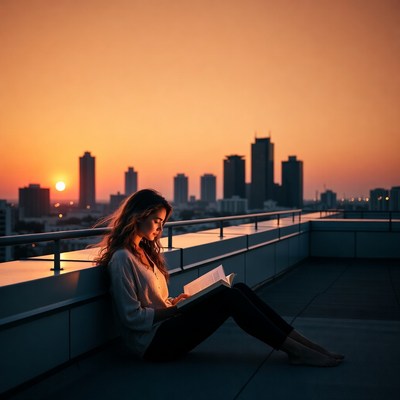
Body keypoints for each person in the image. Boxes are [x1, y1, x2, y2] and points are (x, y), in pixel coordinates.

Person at [95, 189, 344, 366]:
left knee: (239, 289)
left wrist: (174, 301)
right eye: (157, 221)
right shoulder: (122, 260)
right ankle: (297, 350)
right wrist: (174, 311)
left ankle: (303, 344)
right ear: (138, 217)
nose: (161, 229)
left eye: (162, 223)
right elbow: (131, 317)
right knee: (229, 299)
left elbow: (154, 301)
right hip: (153, 344)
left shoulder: (145, 253)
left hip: (167, 328)